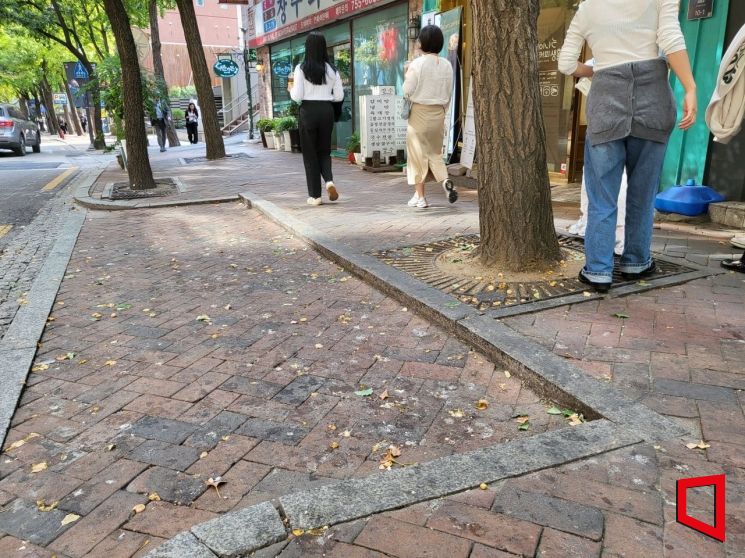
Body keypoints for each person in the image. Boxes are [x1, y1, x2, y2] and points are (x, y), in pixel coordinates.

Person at [558, 0, 696, 293]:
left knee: (602, 196)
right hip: (654, 103)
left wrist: (594, 71)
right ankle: (636, 262)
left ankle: (597, 271)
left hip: (607, 104)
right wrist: (690, 87)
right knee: (642, 195)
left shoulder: (587, 8)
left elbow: (566, 64)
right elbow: (671, 38)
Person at [403, 25, 457, 209]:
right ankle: (445, 181)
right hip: (439, 113)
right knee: (434, 154)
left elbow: (407, 90)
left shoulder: (417, 64)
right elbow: (449, 92)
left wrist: (406, 73)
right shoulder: (447, 65)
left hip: (419, 112)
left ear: (423, 43)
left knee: (417, 155)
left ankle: (421, 198)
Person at [290, 32, 343, 206]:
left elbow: (297, 96)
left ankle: (315, 196)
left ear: (308, 48)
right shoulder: (333, 70)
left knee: (310, 154)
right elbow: (339, 96)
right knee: (324, 151)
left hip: (308, 111)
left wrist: (290, 89)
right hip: (326, 111)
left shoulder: (301, 68)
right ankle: (329, 180)